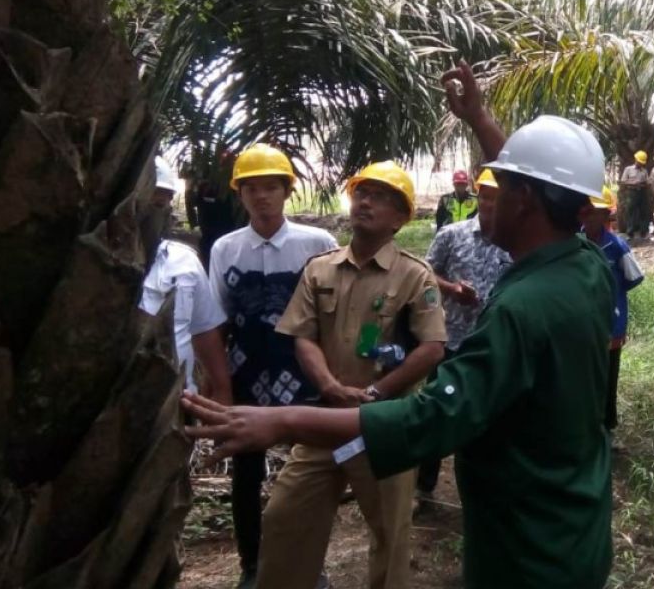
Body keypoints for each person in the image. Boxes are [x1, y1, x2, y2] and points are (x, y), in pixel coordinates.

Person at [184, 60, 616, 589]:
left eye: (498, 190)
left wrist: (283, 421)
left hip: (527, 547)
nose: (486, 202)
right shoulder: (585, 265)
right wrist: (480, 119)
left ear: (523, 201)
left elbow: (432, 417)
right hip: (571, 520)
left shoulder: (520, 310)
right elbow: (540, 185)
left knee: (388, 534)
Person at [258, 161, 446, 589]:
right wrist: (328, 386)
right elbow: (302, 334)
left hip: (384, 425)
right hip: (325, 420)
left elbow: (432, 348)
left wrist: (376, 392)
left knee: (389, 534)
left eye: (381, 197)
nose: (366, 202)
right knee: (285, 516)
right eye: (362, 193)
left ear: (401, 219)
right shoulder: (319, 269)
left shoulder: (415, 275)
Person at [207, 143, 338, 589]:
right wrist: (218, 385)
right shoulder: (226, 249)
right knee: (246, 473)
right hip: (245, 371)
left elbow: (334, 310)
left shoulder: (317, 244)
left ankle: (311, 563)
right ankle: (251, 564)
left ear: (287, 191)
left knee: (314, 473)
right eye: (251, 189)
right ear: (239, 195)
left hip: (304, 371)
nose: (261, 197)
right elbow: (217, 319)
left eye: (271, 187)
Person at [416, 168, 512, 499]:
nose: (489, 205)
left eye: (497, 199)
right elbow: (426, 274)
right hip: (451, 341)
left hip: (493, 345)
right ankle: (424, 488)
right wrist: (453, 288)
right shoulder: (452, 235)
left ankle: (479, 492)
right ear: (477, 196)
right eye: (485, 197)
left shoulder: (515, 245)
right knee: (438, 411)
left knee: (487, 420)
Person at [139, 156, 231, 403]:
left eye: (161, 203)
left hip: (175, 406)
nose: (152, 213)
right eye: (145, 202)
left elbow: (205, 330)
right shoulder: (92, 266)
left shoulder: (184, 261)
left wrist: (222, 391)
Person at [581, 187, 644, 445]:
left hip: (611, 322)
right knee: (583, 373)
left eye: (596, 212)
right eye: (587, 212)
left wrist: (613, 297)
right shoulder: (576, 241)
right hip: (581, 321)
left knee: (608, 375)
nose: (590, 217)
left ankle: (607, 427)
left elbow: (634, 277)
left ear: (606, 214)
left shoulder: (616, 246)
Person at [618, 150, 650, 240]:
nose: (640, 164)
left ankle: (643, 231)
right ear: (636, 159)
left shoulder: (644, 171)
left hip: (642, 192)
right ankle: (630, 232)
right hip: (632, 192)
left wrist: (645, 184)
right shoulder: (628, 169)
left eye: (642, 163)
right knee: (630, 211)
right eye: (639, 162)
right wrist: (633, 183)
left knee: (643, 211)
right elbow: (623, 181)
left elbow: (647, 181)